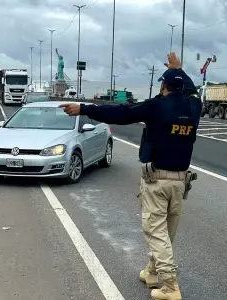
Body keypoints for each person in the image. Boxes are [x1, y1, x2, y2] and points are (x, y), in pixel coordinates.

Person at [59, 52, 202, 300]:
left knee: (155, 230)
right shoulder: (193, 107)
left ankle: (170, 286)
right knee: (165, 231)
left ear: (163, 85)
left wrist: (84, 107)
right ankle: (153, 272)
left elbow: (121, 114)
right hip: (180, 181)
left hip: (157, 180)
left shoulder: (156, 106)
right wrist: (180, 70)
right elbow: (192, 92)